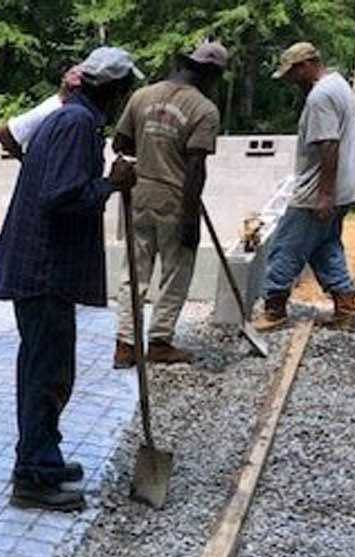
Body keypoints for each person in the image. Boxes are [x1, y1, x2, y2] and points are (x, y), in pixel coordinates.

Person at [0, 46, 141, 512]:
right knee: (47, 375)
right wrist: (111, 183)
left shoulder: (70, 119)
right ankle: (35, 475)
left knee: (42, 371)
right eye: (125, 91)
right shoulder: (75, 125)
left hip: (40, 269)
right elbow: (60, 196)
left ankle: (37, 460)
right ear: (112, 90)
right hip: (43, 271)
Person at [110, 41, 229, 367]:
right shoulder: (204, 110)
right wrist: (191, 220)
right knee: (176, 272)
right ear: (210, 74)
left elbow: (120, 143)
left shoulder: (141, 96)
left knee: (134, 272)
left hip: (138, 195)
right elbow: (195, 168)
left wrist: (150, 145)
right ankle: (160, 342)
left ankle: (125, 344)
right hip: (175, 199)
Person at [253, 42, 355, 332]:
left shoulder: (320, 97)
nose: (291, 82)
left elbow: (329, 144)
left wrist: (324, 195)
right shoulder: (339, 84)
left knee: (285, 248)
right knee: (324, 246)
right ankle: (345, 308)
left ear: (305, 66)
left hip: (318, 191)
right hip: (345, 187)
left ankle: (275, 309)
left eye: (292, 74)